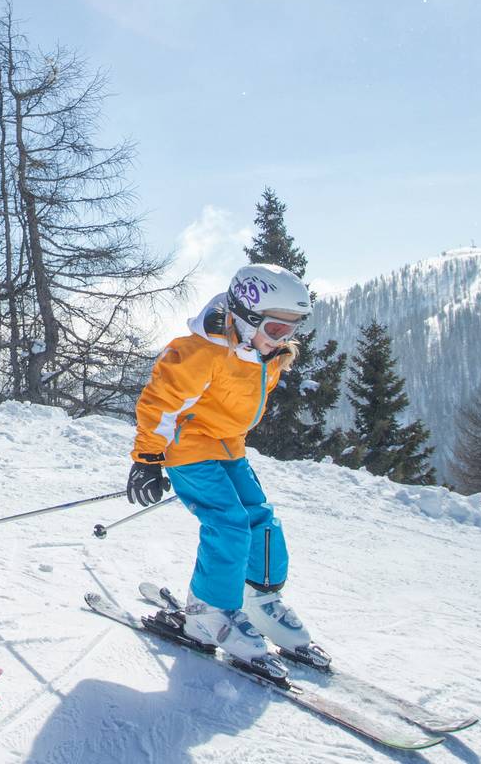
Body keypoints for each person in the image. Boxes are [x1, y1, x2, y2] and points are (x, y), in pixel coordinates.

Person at [127, 263, 318, 670]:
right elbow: (161, 405)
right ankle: (208, 612)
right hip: (188, 447)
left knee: (259, 518)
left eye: (291, 330)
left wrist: (272, 344)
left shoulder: (263, 351)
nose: (284, 340)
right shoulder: (199, 352)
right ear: (247, 318)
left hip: (228, 445)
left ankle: (260, 598)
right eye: (276, 329)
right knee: (228, 522)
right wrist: (147, 459)